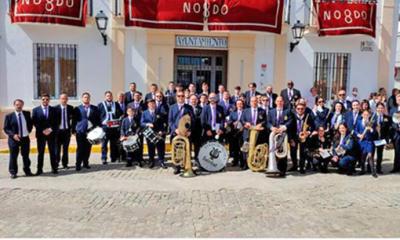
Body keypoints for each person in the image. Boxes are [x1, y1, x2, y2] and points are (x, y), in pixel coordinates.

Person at [3, 99, 34, 179]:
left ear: (22, 105)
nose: (19, 106)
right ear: (14, 105)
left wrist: (28, 131)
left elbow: (30, 124)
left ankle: (27, 171)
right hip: (14, 139)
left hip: (25, 138)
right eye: (17, 104)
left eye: (20, 104)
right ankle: (13, 172)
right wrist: (13, 135)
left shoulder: (27, 114)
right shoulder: (9, 116)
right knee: (13, 156)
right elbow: (6, 128)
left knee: (26, 155)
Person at [72, 92, 100, 171]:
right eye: (84, 97)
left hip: (91, 132)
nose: (86, 98)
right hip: (80, 131)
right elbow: (74, 120)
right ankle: (78, 164)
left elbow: (97, 119)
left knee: (88, 148)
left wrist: (97, 129)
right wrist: (73, 130)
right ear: (82, 98)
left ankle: (85, 163)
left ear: (89, 99)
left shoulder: (94, 108)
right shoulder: (77, 108)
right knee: (80, 148)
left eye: (87, 97)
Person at [32, 93, 59, 175]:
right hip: (41, 135)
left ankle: (54, 168)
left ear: (49, 100)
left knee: (52, 152)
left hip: (51, 134)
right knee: (40, 153)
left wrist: (50, 129)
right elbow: (34, 122)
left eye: (47, 99)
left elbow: (57, 122)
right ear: (41, 100)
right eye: (43, 99)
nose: (45, 101)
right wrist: (42, 130)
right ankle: (39, 169)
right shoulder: (35, 110)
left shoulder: (54, 110)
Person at [168, 91, 194, 175]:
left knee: (186, 150)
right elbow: (170, 121)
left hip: (186, 133)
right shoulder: (172, 107)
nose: (181, 97)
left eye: (182, 96)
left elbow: (192, 120)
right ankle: (177, 167)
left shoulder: (189, 107)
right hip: (176, 132)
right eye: (179, 96)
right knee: (177, 150)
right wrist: (175, 129)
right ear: (176, 97)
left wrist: (190, 130)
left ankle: (186, 165)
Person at [267, 96, 293, 177]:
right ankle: (273, 168)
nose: (279, 102)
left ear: (283, 102)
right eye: (278, 101)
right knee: (273, 150)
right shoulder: (271, 112)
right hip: (273, 133)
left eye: (281, 101)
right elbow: (267, 122)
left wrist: (284, 127)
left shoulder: (287, 111)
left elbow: (291, 120)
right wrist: (271, 127)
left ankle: (282, 170)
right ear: (275, 102)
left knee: (282, 151)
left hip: (283, 133)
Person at [288, 101, 316, 174]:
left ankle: (301, 167)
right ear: (296, 109)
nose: (300, 110)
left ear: (304, 109)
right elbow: (289, 128)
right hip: (294, 136)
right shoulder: (292, 116)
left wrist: (308, 133)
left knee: (303, 153)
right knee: (293, 152)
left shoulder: (308, 116)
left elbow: (313, 126)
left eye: (302, 109)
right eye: (298, 109)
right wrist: (291, 139)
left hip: (304, 137)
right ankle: (294, 165)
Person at [241, 96, 267, 170]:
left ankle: (256, 163)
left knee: (257, 148)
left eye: (255, 101)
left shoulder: (262, 111)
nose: (254, 102)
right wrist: (246, 123)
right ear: (250, 102)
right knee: (245, 148)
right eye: (252, 101)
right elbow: (242, 120)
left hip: (258, 133)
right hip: (247, 132)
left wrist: (261, 124)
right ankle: (245, 164)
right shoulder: (245, 111)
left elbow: (265, 120)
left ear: (257, 102)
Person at [98, 91, 123, 165]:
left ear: (112, 96)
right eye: (107, 96)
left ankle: (113, 157)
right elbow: (98, 116)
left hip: (114, 127)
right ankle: (104, 158)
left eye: (110, 96)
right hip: (105, 127)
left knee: (114, 144)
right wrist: (100, 125)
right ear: (105, 97)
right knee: (104, 144)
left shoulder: (116, 104)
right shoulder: (100, 105)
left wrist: (120, 118)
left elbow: (121, 113)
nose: (109, 97)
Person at [141, 99, 168, 169]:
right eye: (150, 104)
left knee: (160, 148)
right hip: (149, 133)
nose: (152, 105)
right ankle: (151, 161)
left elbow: (163, 123)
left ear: (155, 104)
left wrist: (162, 131)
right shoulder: (144, 113)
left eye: (153, 104)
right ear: (148, 105)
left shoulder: (159, 112)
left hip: (159, 133)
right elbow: (141, 123)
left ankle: (161, 161)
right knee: (151, 148)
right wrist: (147, 124)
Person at [355, 110, 377, 177]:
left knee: (370, 155)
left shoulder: (372, 122)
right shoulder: (359, 122)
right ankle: (362, 170)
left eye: (367, 114)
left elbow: (374, 133)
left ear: (369, 115)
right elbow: (356, 130)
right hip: (362, 141)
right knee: (363, 156)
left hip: (369, 141)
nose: (366, 115)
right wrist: (359, 135)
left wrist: (371, 129)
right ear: (362, 115)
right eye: (364, 114)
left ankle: (373, 172)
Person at [55, 93, 74, 169]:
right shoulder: (55, 109)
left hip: (66, 131)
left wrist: (72, 129)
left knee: (65, 149)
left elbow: (74, 119)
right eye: (62, 98)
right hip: (58, 132)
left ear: (67, 99)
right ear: (60, 99)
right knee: (57, 149)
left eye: (65, 98)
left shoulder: (70, 108)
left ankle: (65, 164)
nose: (64, 100)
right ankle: (56, 164)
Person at [226, 99, 245, 168]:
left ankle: (243, 162)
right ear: (236, 105)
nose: (239, 105)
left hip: (243, 131)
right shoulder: (233, 113)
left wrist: (243, 125)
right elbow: (229, 121)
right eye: (238, 104)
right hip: (235, 132)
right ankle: (236, 160)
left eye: (240, 104)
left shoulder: (245, 112)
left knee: (242, 147)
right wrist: (232, 123)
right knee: (235, 147)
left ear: (243, 104)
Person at [374, 102, 391, 174]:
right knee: (371, 153)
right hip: (373, 138)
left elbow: (388, 130)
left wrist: (387, 139)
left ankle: (378, 168)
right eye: (379, 108)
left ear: (383, 109)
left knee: (380, 154)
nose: (380, 109)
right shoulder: (372, 117)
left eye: (382, 108)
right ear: (376, 108)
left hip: (381, 139)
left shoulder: (387, 118)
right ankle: (369, 167)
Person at [189, 94, 203, 165]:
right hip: (189, 132)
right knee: (188, 147)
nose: (193, 101)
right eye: (192, 99)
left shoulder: (201, 109)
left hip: (197, 131)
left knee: (197, 147)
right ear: (190, 100)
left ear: (197, 100)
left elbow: (201, 119)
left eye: (195, 99)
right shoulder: (186, 108)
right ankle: (188, 161)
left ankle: (196, 159)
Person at [390, 93, 400, 173]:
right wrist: (397, 128)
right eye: (398, 98)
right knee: (397, 151)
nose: (399, 99)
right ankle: (396, 167)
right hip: (397, 133)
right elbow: (391, 122)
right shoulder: (393, 109)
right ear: (396, 100)